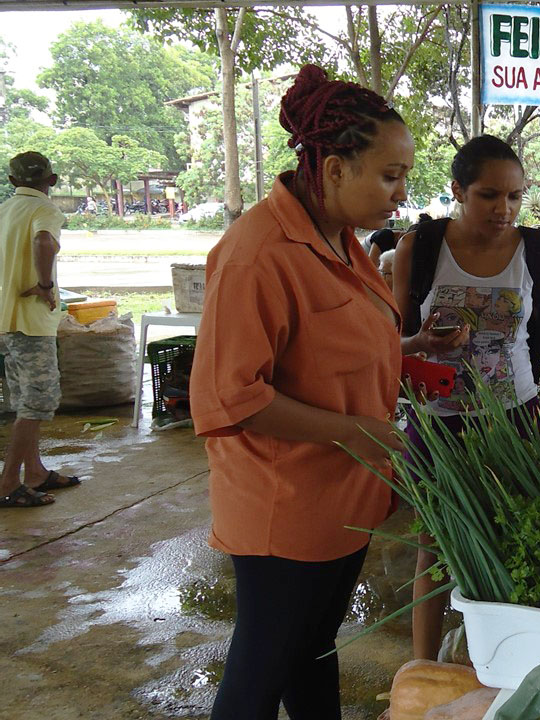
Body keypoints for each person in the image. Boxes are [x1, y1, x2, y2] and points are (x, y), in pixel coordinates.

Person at [190, 65, 443, 720]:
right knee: (258, 678)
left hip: (345, 500)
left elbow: (336, 347)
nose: (401, 191)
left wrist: (409, 351)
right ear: (333, 169)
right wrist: (363, 432)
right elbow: (230, 397)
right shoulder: (258, 254)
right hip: (286, 512)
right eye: (390, 175)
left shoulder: (343, 241)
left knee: (314, 652)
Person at [391, 134, 540, 661]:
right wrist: (420, 343)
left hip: (515, 419)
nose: (504, 209)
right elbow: (387, 343)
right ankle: (421, 672)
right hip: (439, 425)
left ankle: (503, 661)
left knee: (513, 542)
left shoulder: (533, 250)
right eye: (489, 195)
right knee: (434, 550)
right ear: (458, 189)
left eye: (515, 196)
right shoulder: (420, 247)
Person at [0, 151, 81, 509]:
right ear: (51, 180)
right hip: (30, 321)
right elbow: (43, 241)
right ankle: (8, 482)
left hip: (6, 319)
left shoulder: (5, 210)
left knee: (23, 403)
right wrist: (44, 285)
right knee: (37, 403)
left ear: (13, 181)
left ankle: (34, 472)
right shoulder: (45, 209)